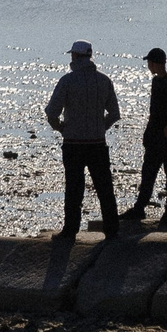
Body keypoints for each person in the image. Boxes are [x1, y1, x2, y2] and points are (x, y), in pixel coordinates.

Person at [45, 40, 121, 241]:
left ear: (75, 57)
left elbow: (52, 113)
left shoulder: (67, 81)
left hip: (73, 143)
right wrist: (101, 127)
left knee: (74, 189)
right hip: (97, 143)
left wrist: (61, 128)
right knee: (105, 188)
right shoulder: (104, 81)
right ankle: (112, 230)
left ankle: (70, 231)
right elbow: (114, 113)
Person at [118, 47, 167, 226]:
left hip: (166, 135)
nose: (148, 66)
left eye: (149, 62)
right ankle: (139, 207)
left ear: (155, 63)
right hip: (154, 133)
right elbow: (154, 111)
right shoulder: (156, 81)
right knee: (148, 171)